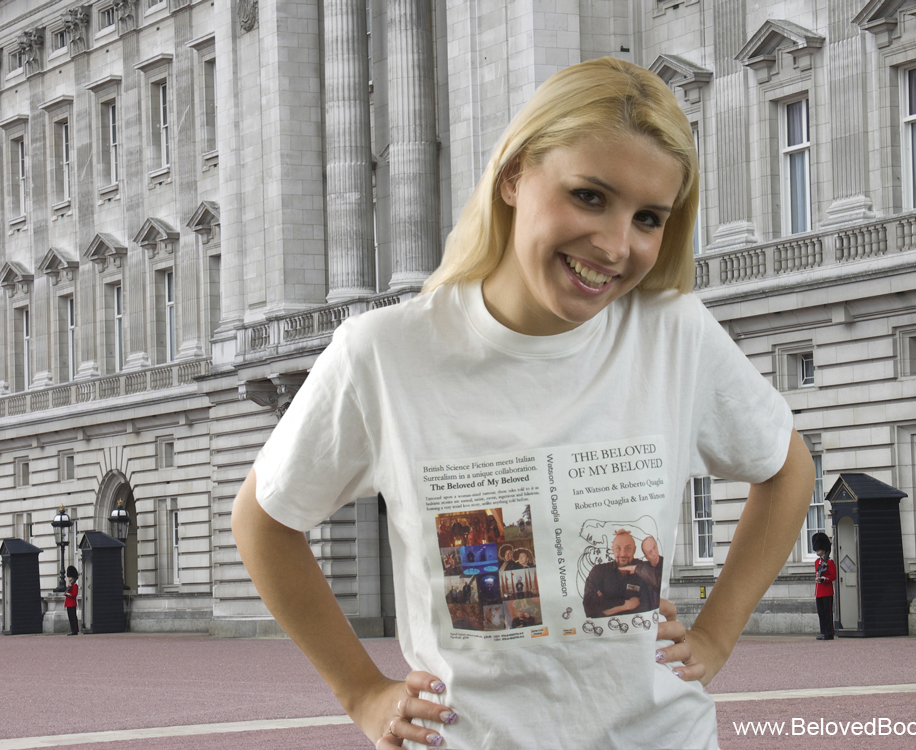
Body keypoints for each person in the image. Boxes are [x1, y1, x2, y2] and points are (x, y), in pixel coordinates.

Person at [232, 56, 814, 750]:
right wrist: (362, 690)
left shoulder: (675, 332)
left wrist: (718, 633)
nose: (616, 246)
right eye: (590, 196)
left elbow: (786, 469)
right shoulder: (383, 354)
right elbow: (263, 521)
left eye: (649, 217)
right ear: (513, 175)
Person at [583, 530, 652, 617]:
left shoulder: (644, 570)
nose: (623, 554)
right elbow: (589, 608)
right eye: (618, 548)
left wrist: (607, 605)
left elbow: (646, 608)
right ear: (612, 549)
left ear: (634, 550)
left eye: (628, 548)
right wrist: (627, 605)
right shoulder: (599, 571)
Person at [812, 532, 837, 640]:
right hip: (819, 592)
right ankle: (823, 632)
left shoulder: (830, 562)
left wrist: (824, 579)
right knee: (821, 613)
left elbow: (833, 576)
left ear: (824, 549)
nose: (817, 551)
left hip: (827, 591)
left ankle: (829, 633)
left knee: (828, 613)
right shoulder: (817, 562)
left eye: (819, 549)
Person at [634, 535, 664, 609]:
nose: (654, 553)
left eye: (654, 547)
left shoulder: (665, 563)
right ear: (646, 557)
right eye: (650, 552)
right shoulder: (643, 566)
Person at [64, 565, 79, 636]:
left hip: (72, 603)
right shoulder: (70, 585)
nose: (69, 578)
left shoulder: (75, 585)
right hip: (68, 603)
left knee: (73, 618)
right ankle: (73, 630)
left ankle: (75, 630)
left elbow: (74, 595)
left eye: (70, 577)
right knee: (70, 618)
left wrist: (68, 594)